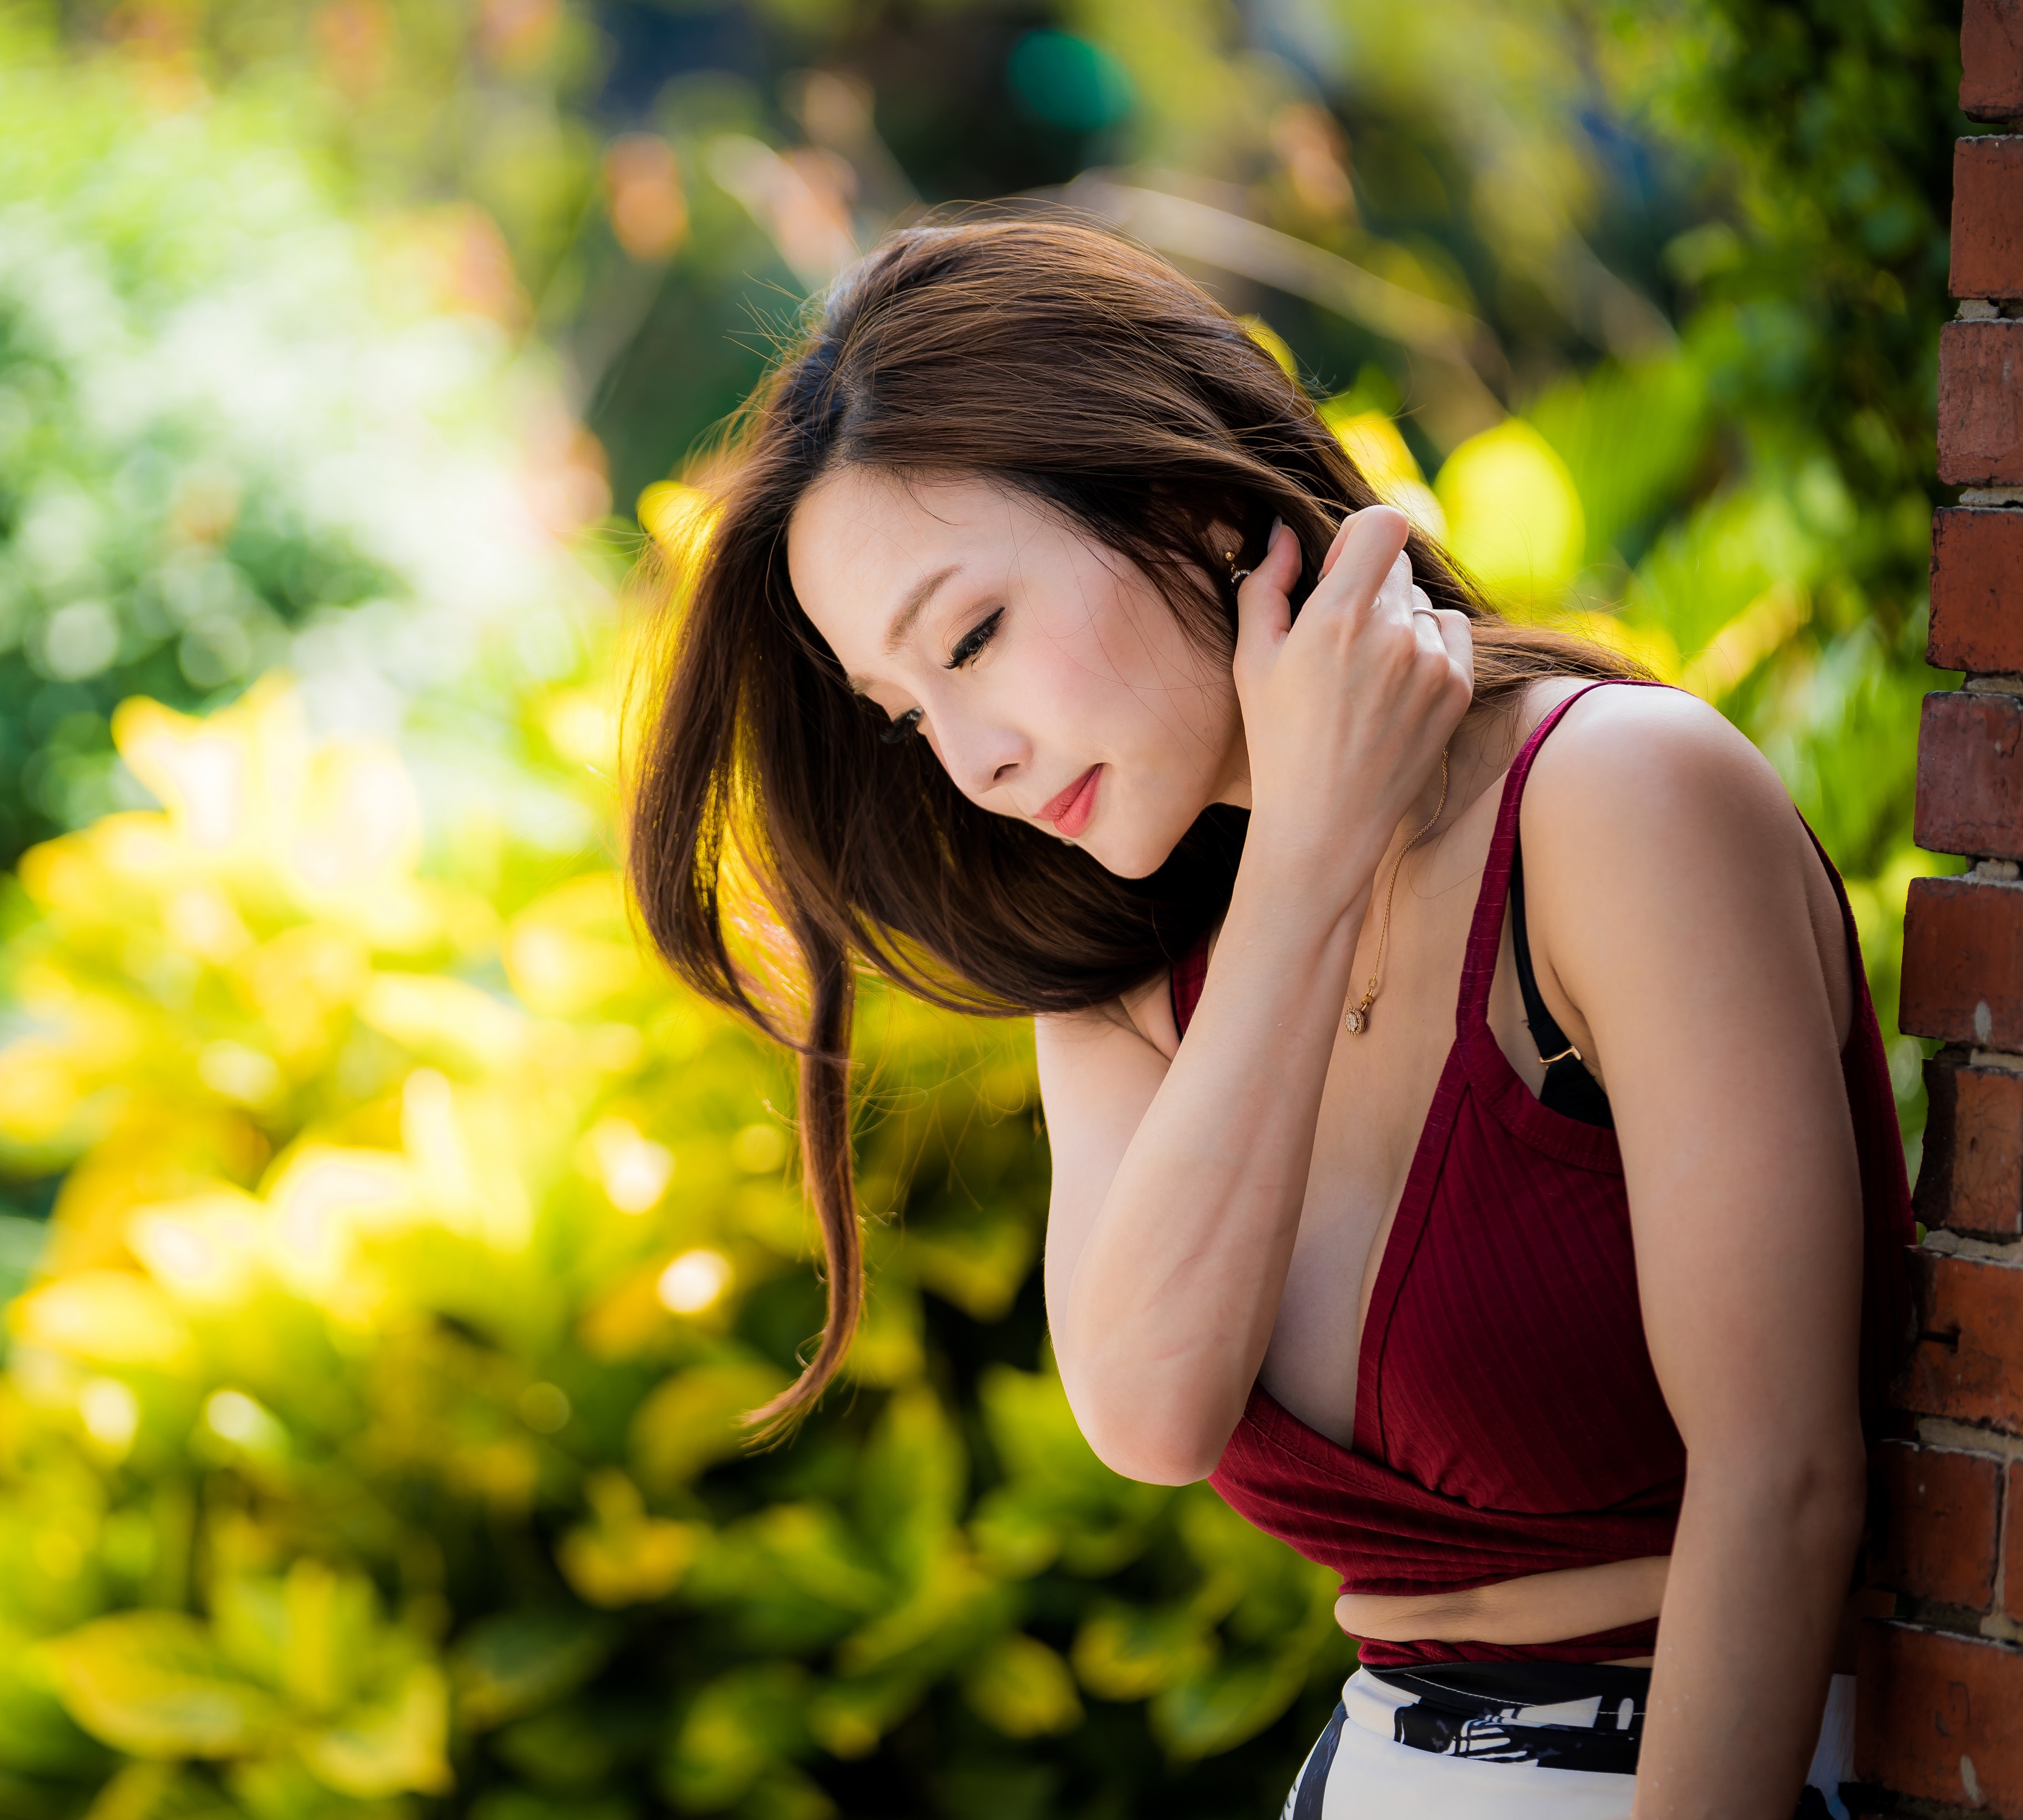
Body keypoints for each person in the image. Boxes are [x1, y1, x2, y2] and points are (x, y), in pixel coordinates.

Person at [622, 218, 1910, 1819]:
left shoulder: (1610, 804)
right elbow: (1151, 1408)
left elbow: (1783, 1484)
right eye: (905, 715)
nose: (973, 761)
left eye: (971, 637)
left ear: (1190, 502)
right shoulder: (1116, 975)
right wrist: (1302, 862)